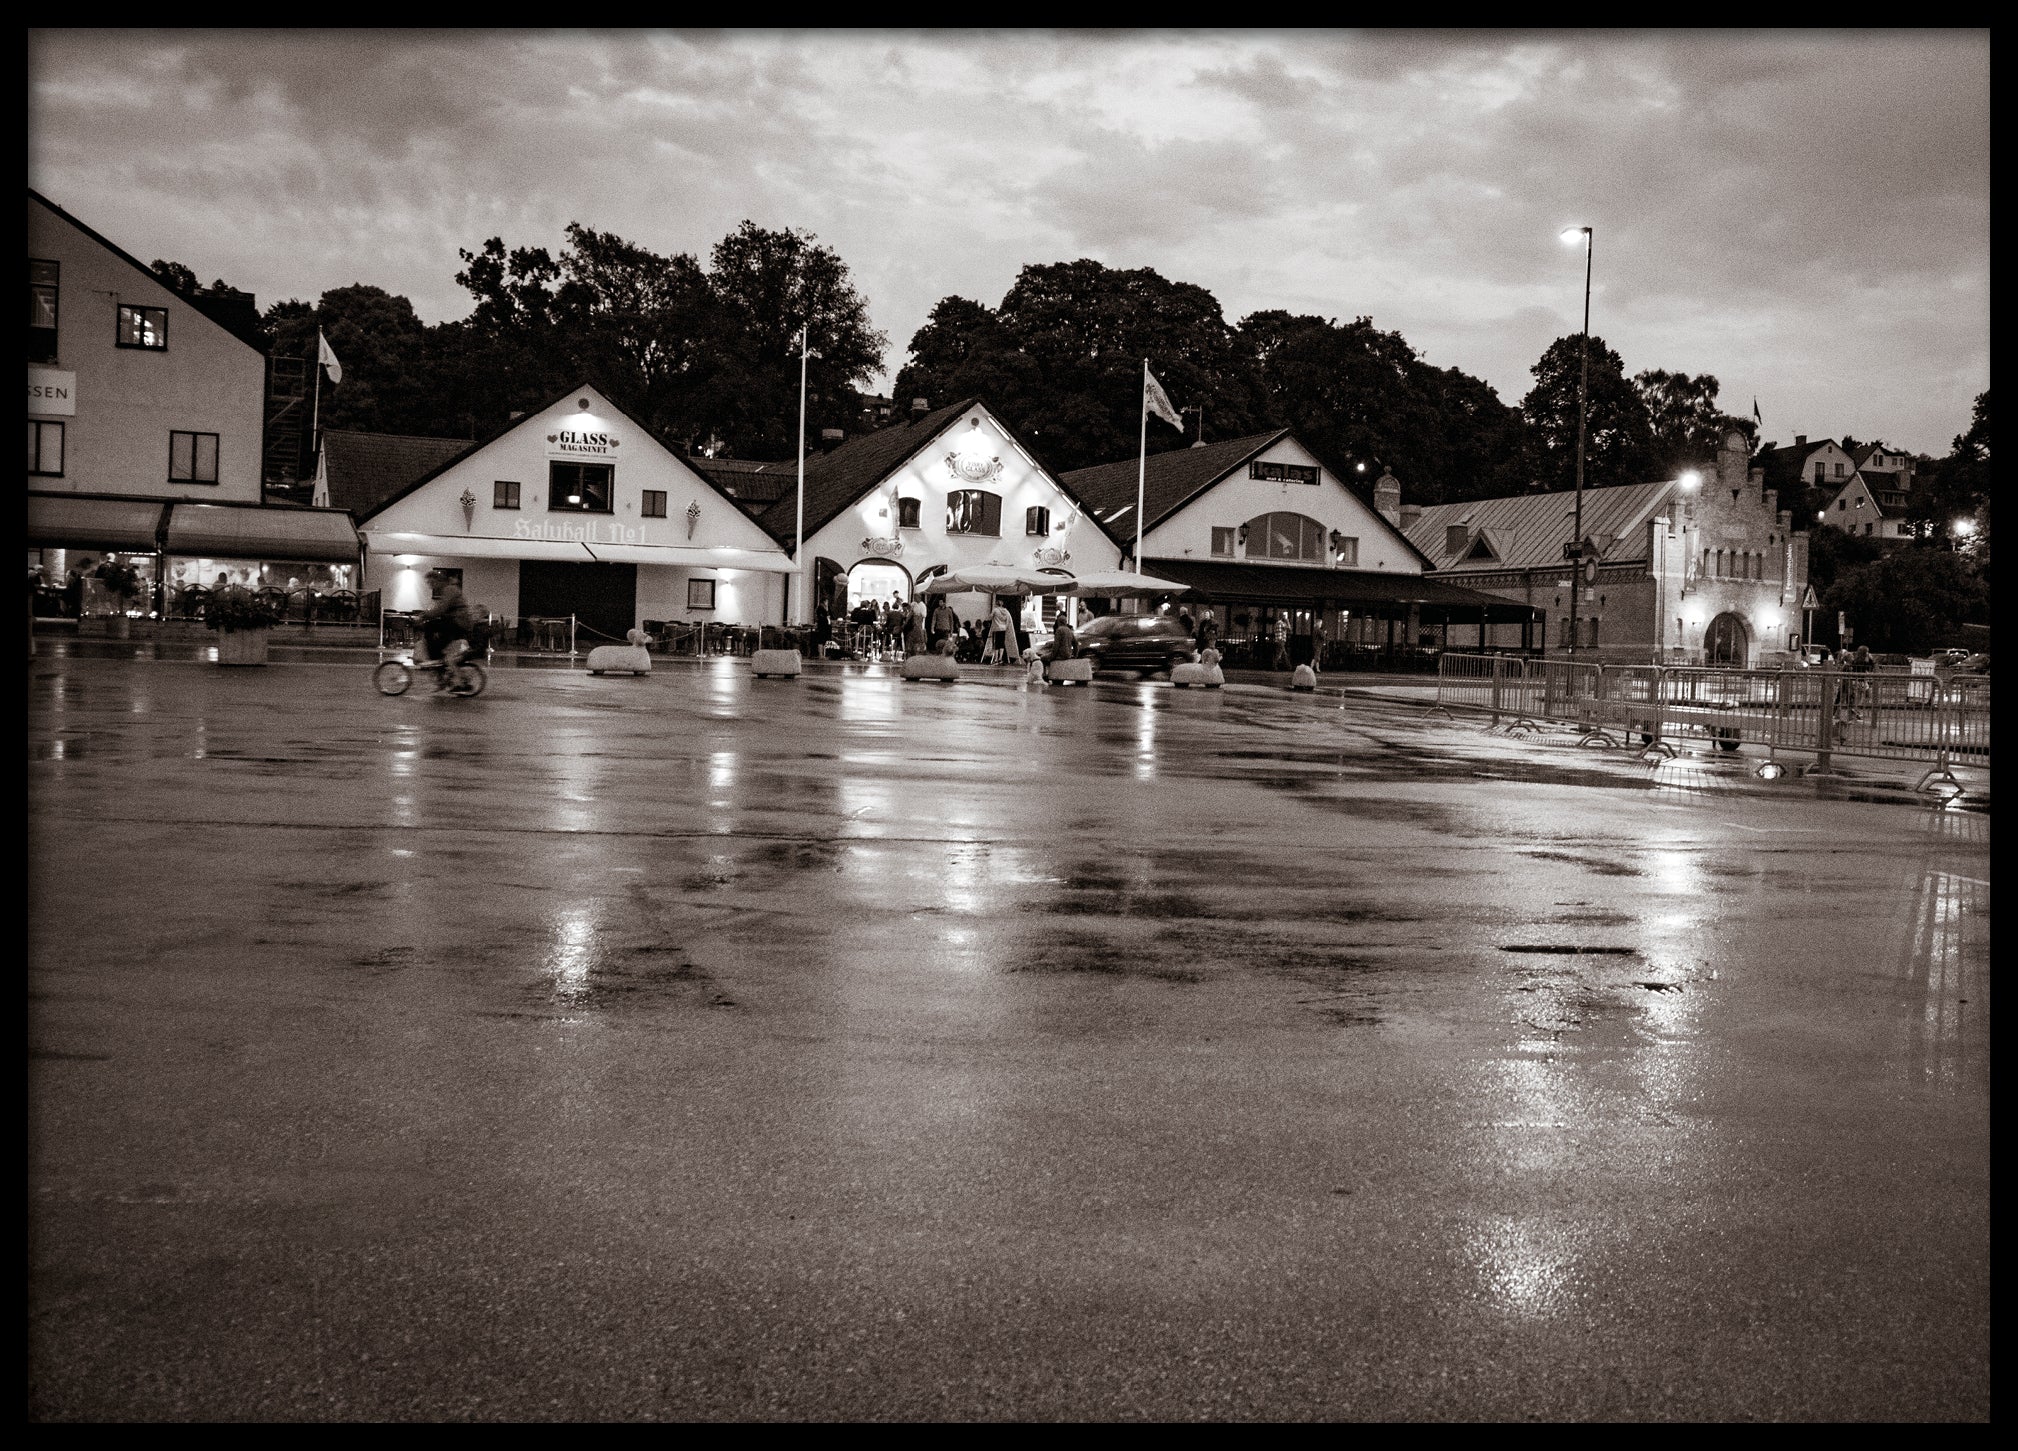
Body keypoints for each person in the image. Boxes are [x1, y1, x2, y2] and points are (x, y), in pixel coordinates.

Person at [418, 568, 472, 688]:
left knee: (429, 627)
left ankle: (436, 660)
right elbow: (441, 609)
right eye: (428, 583)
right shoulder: (448, 590)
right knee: (436, 633)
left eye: (431, 583)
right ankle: (439, 663)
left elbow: (441, 609)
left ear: (438, 581)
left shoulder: (449, 589)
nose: (430, 586)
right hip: (457, 621)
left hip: (459, 622)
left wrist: (423, 616)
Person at [985, 599, 1013, 665]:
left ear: (996, 604)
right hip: (1003, 629)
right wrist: (1005, 626)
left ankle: (996, 659)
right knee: (1001, 643)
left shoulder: (995, 610)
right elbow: (1008, 620)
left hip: (997, 628)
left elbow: (990, 617)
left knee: (996, 643)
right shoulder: (1006, 611)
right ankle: (1000, 658)